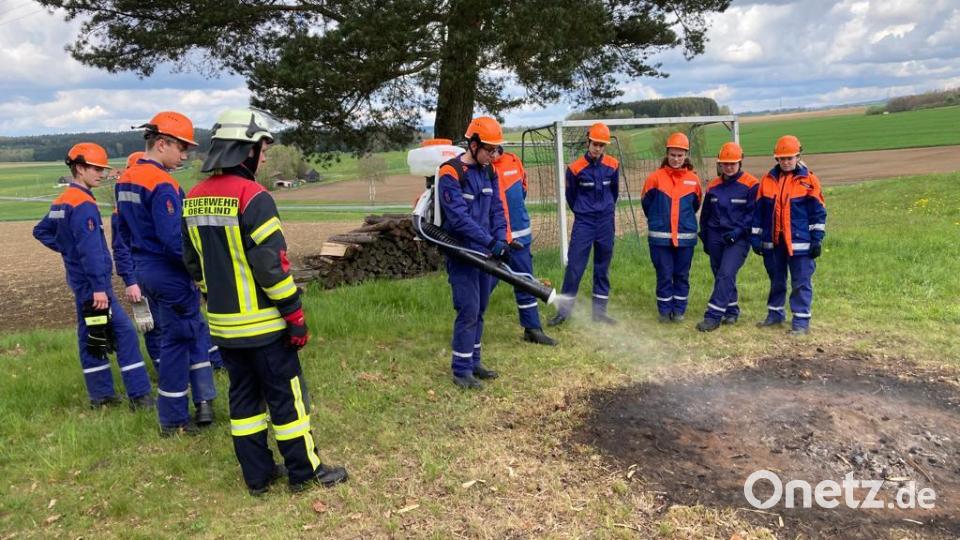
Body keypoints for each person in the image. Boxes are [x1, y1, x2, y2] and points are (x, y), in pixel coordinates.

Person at [182, 108, 347, 494]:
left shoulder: (193, 198)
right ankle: (305, 474)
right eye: (263, 148)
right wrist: (294, 314)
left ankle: (257, 477)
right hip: (266, 326)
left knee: (243, 405)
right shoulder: (253, 196)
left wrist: (214, 295)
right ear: (246, 151)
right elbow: (272, 267)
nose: (266, 156)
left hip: (223, 328)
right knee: (287, 403)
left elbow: (193, 263)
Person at [115, 112, 217, 436]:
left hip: (146, 271)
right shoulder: (163, 184)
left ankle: (204, 403)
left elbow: (124, 233)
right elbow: (176, 241)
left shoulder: (126, 178)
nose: (184, 155)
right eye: (181, 148)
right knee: (179, 341)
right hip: (170, 274)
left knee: (187, 334)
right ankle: (173, 420)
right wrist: (201, 273)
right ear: (162, 143)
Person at [33, 143, 153, 409]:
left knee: (91, 335)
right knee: (124, 334)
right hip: (94, 288)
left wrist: (68, 251)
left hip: (80, 283)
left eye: (103, 169)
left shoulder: (62, 201)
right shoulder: (83, 204)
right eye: (96, 169)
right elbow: (91, 250)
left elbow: (41, 231)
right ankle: (140, 396)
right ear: (79, 168)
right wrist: (99, 286)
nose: (101, 173)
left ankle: (101, 397)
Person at [113, 151, 223, 372]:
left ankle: (208, 364)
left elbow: (125, 241)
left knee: (182, 326)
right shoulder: (159, 186)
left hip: (146, 271)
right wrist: (196, 269)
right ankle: (194, 384)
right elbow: (169, 240)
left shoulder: (127, 193)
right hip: (162, 272)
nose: (183, 155)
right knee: (163, 328)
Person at [437, 116, 509, 389]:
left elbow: (497, 210)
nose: (494, 155)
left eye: (496, 150)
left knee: (480, 308)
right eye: (489, 149)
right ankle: (460, 370)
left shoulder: (489, 171)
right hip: (462, 253)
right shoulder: (451, 173)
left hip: (486, 253)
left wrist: (500, 241)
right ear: (474, 144)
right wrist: (490, 242)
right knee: (467, 309)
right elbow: (458, 219)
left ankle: (474, 362)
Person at [751, 135, 826, 335]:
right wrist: (756, 237)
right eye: (782, 159)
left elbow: (818, 213)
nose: (785, 162)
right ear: (776, 159)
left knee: (801, 281)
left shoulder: (809, 181)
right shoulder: (766, 180)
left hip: (800, 242)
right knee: (776, 278)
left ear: (798, 157)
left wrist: (817, 239)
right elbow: (759, 212)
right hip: (774, 242)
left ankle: (801, 321)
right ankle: (775, 314)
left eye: (789, 158)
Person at [547, 122, 619, 326]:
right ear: (588, 142)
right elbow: (571, 197)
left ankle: (599, 312)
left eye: (602, 145)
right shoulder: (575, 168)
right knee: (575, 267)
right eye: (595, 144)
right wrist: (584, 211)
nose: (598, 149)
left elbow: (614, 192)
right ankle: (564, 312)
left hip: (606, 221)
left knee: (602, 266)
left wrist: (605, 209)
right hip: (584, 223)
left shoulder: (613, 166)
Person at [489, 146, 557, 346]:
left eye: (493, 149)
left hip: (520, 238)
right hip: (493, 241)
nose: (491, 154)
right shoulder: (480, 169)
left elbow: (523, 191)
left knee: (525, 282)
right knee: (483, 285)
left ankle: (533, 329)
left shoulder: (513, 161)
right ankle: (469, 329)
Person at [695, 142, 759, 332]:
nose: (729, 167)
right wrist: (705, 236)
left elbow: (752, 215)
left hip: (738, 238)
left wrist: (738, 233)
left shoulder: (751, 184)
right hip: (715, 236)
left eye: (733, 163)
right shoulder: (714, 185)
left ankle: (713, 316)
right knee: (720, 274)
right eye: (725, 163)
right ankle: (731, 310)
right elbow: (706, 214)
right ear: (719, 164)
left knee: (726, 273)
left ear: (740, 162)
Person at [641, 132, 702, 322]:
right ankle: (664, 311)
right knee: (664, 275)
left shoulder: (694, 180)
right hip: (660, 239)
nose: (676, 159)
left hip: (685, 238)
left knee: (682, 275)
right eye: (673, 155)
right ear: (667, 154)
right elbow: (646, 204)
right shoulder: (654, 179)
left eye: (680, 155)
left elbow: (696, 204)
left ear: (686, 156)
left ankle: (679, 311)